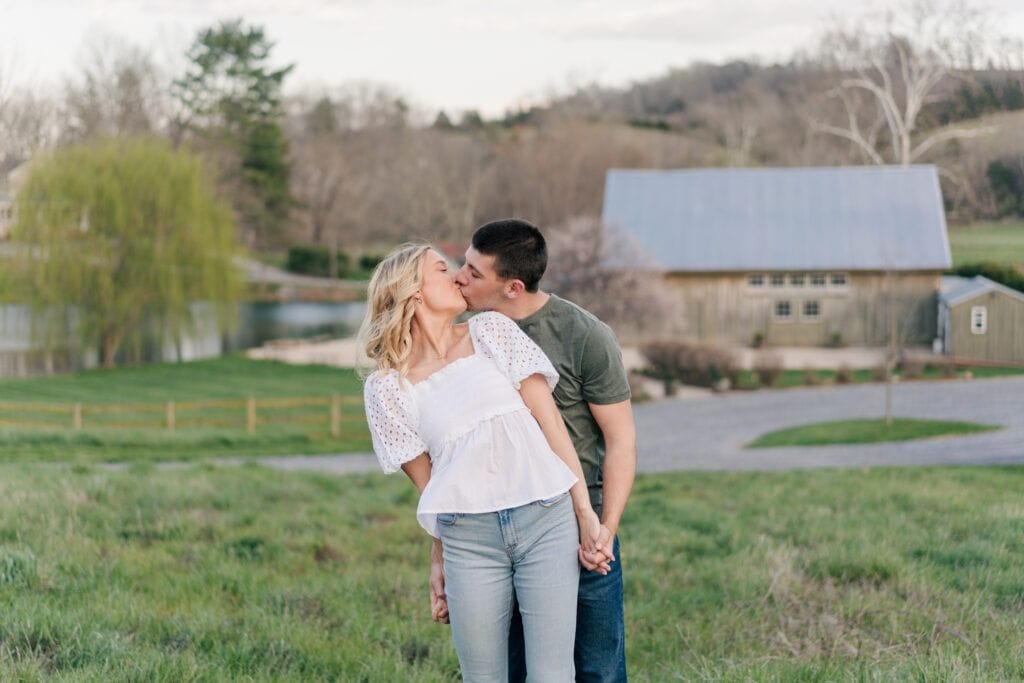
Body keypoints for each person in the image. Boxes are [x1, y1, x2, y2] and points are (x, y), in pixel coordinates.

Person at [359, 243, 604, 682]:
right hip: (469, 541)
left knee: (552, 675)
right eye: (442, 269)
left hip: (546, 519)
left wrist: (584, 511)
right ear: (412, 291)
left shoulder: (492, 331)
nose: (457, 277)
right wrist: (440, 557)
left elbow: (552, 428)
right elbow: (431, 484)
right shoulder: (386, 389)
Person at [443, 218, 638, 682]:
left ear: (512, 287)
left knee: (598, 671)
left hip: (578, 525)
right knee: (514, 669)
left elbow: (621, 440)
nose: (458, 278)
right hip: (499, 524)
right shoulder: (464, 337)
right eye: (461, 265)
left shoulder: (584, 335)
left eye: (473, 273)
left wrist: (604, 527)